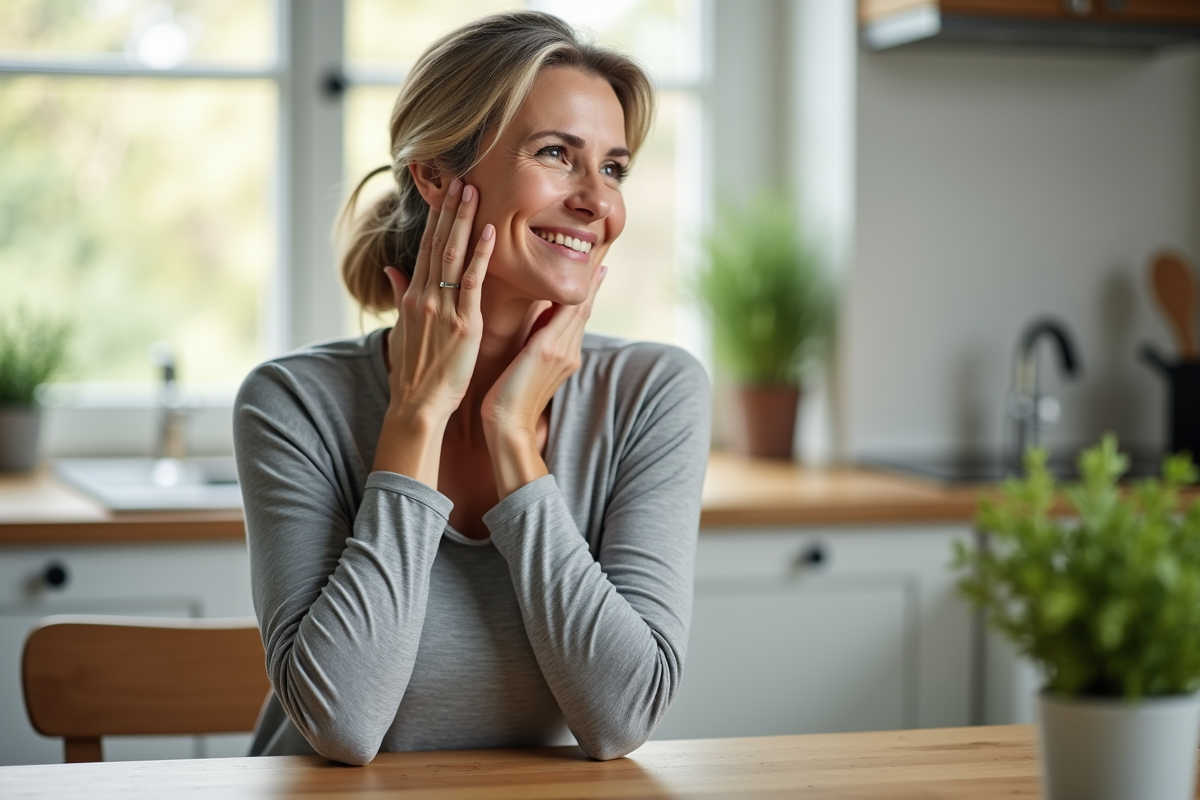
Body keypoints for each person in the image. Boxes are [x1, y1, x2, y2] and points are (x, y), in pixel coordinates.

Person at [234, 10, 710, 765]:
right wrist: (416, 415)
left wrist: (513, 433)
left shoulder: (652, 394)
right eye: (558, 154)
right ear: (435, 174)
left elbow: (620, 719)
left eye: (614, 167)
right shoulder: (294, 403)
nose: (599, 202)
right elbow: (344, 725)